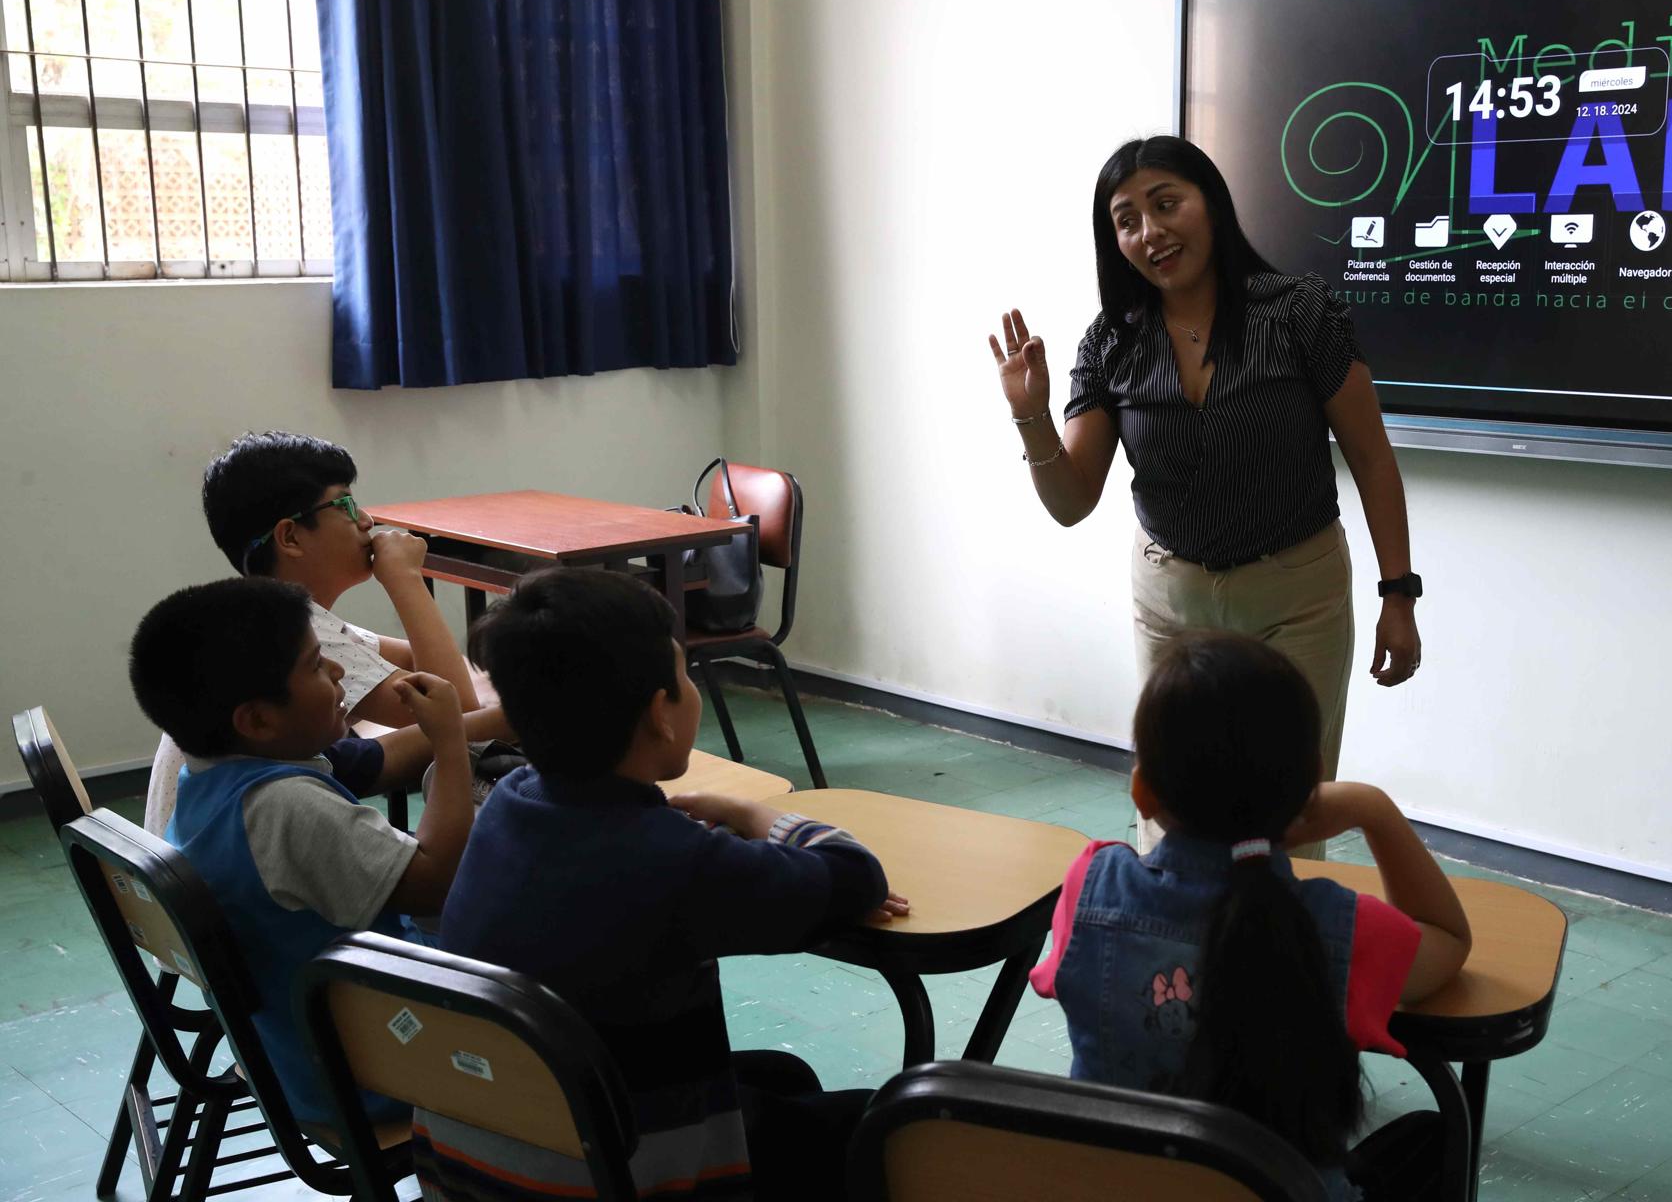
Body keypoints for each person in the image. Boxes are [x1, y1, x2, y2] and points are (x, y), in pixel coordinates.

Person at [988, 135, 1423, 853]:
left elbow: (1373, 460)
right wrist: (1029, 414)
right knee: (1173, 809)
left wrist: (1398, 596)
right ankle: (1176, 960)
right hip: (1171, 603)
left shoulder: (1298, 314)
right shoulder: (1110, 345)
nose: (1149, 232)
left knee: (1291, 810)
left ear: (1211, 206)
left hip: (1298, 598)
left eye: (1166, 205)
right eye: (1126, 220)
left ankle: (1279, 958)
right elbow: (1071, 501)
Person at [417, 570, 907, 1201]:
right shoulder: (673, 860)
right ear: (659, 714)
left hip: (495, 1152)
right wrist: (757, 815)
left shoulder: (510, 800)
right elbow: (856, 876)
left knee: (783, 1074)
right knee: (893, 1128)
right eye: (684, 678)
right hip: (609, 1169)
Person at [1029, 632, 1471, 1201]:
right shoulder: (1345, 928)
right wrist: (1373, 809)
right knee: (1435, 1140)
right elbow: (1450, 940)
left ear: (1143, 791)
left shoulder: (1089, 886)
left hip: (1122, 1187)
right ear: (1312, 784)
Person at [127, 577, 479, 1124]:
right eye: (317, 665)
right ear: (259, 720)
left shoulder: (206, 786)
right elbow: (434, 880)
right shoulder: (285, 807)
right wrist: (452, 746)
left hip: (304, 1056)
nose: (339, 673)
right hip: (374, 1070)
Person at [145, 431, 487, 835]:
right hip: (236, 874)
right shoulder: (293, 637)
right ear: (290, 537)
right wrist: (406, 580)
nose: (366, 521)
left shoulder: (279, 616)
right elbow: (456, 713)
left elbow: (421, 663)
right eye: (345, 504)